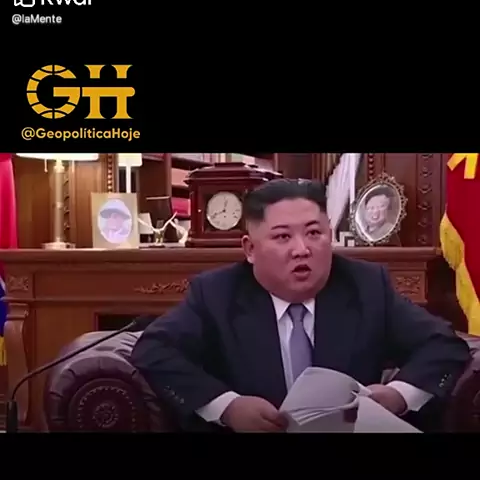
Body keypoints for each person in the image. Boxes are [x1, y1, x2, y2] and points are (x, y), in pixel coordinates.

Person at [131, 179, 470, 433]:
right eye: (282, 237)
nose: (302, 249)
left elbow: (443, 344)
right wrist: (228, 407)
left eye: (314, 233)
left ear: (329, 236)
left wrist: (398, 395)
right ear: (250, 249)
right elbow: (155, 349)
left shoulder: (365, 286)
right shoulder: (217, 293)